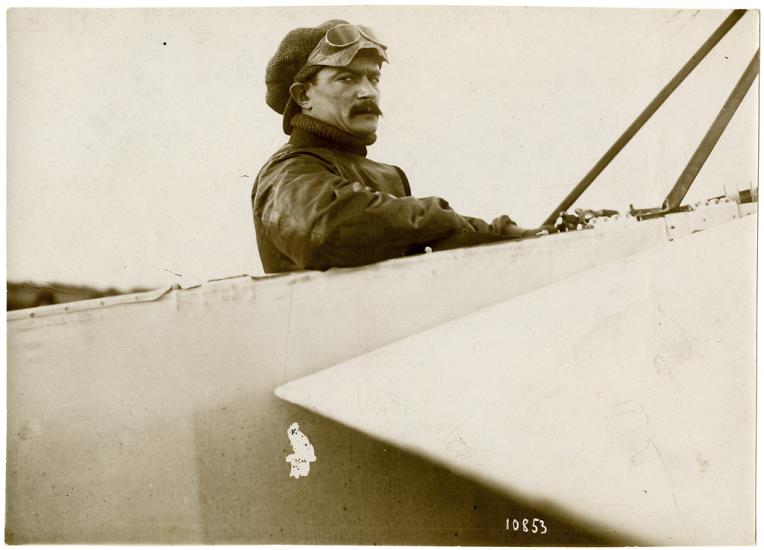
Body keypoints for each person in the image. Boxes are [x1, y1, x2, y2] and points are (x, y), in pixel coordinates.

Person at [253, 20, 549, 274]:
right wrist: (439, 215)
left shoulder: (386, 174)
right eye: (347, 78)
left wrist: (509, 235)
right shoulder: (287, 172)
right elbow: (323, 231)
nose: (368, 91)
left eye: (374, 78)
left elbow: (424, 235)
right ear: (303, 95)